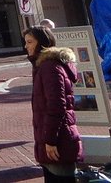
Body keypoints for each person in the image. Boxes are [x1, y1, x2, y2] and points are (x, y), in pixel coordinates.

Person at [24, 25, 83, 183]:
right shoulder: (43, 66)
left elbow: (57, 106)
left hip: (59, 141)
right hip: (54, 139)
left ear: (42, 43)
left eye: (29, 42)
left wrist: (50, 140)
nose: (26, 46)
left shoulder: (49, 67)